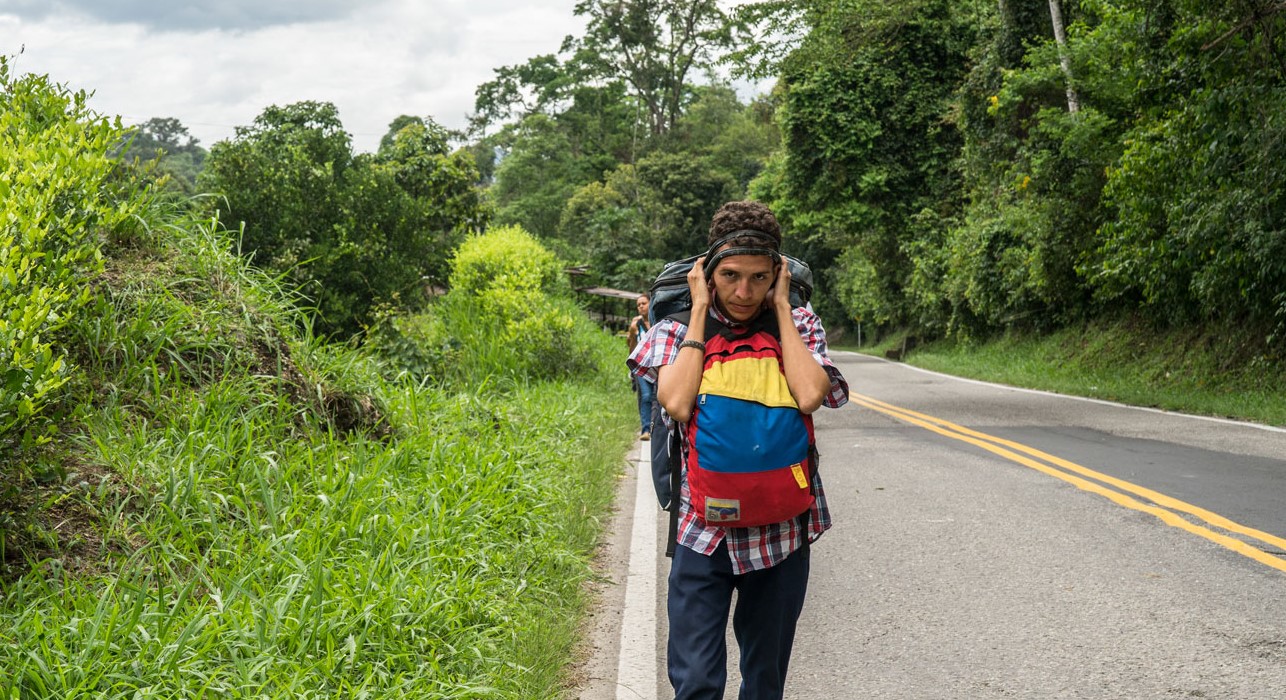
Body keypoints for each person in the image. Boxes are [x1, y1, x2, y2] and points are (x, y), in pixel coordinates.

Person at [627, 200, 849, 699]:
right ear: (707, 272)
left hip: (781, 533)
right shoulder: (675, 327)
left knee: (764, 682)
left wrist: (784, 312)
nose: (744, 292)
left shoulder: (800, 326)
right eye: (729, 276)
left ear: (778, 275)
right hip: (700, 532)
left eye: (759, 277)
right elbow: (678, 402)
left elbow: (813, 394)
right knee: (697, 682)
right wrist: (701, 311)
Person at [626, 293, 657, 440]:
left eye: (643, 303)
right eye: (638, 305)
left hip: (657, 365)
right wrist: (632, 334)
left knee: (658, 398)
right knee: (645, 396)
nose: (641, 307)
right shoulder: (635, 325)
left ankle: (655, 428)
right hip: (641, 366)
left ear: (651, 303)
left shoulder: (658, 321)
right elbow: (632, 349)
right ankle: (646, 430)